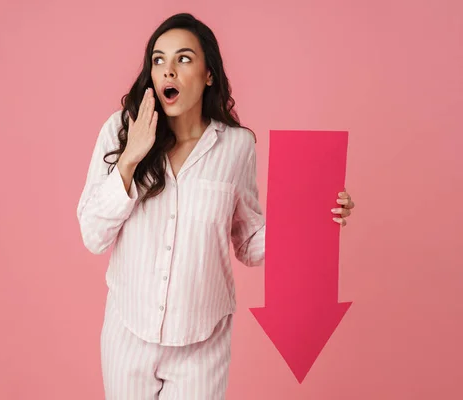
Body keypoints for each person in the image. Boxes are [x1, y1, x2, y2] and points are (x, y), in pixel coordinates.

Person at [76, 12, 355, 400]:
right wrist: (130, 159)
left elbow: (248, 243)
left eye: (183, 59)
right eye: (159, 60)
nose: (168, 71)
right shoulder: (120, 130)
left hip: (202, 342)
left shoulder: (237, 146)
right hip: (128, 332)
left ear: (209, 74)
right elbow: (93, 234)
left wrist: (315, 219)